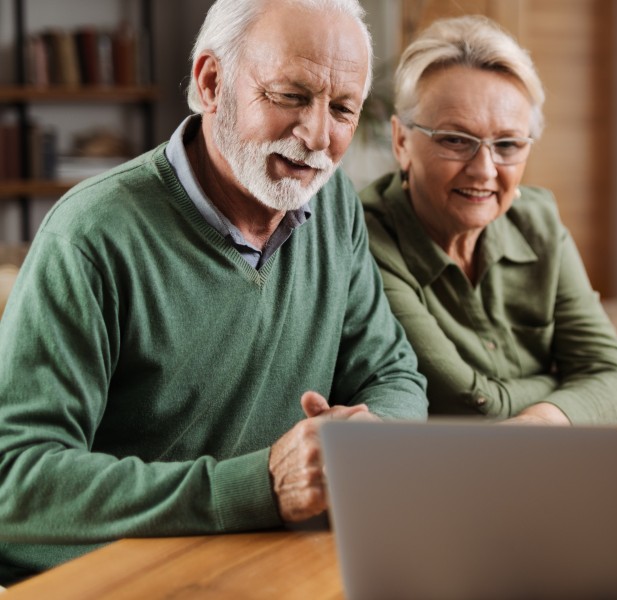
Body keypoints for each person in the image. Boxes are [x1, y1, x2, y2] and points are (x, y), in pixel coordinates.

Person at [0, 0, 427, 585]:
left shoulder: (334, 205)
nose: (318, 137)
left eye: (344, 108)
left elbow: (393, 374)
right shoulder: (90, 235)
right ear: (211, 83)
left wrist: (370, 444)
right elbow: (16, 481)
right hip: (110, 581)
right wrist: (258, 486)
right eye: (290, 96)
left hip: (264, 564)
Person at [360, 16, 617, 426]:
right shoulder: (366, 239)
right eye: (456, 140)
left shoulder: (538, 224)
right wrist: (562, 383)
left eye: (507, 144)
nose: (484, 170)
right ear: (402, 141)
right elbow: (470, 403)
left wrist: (541, 422)